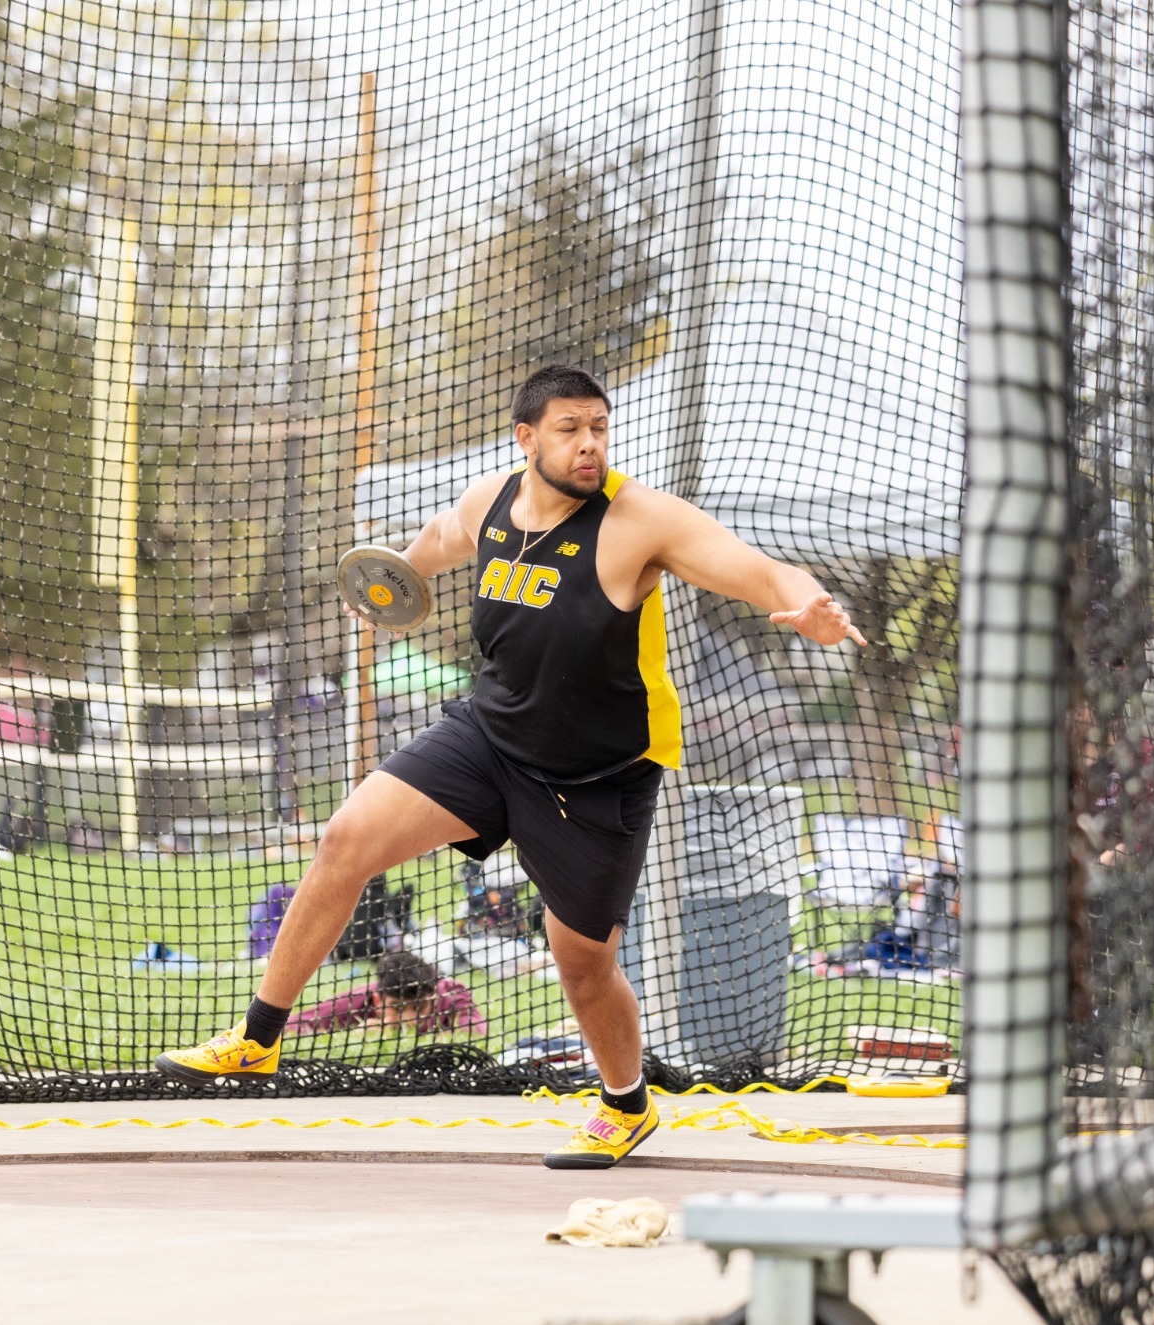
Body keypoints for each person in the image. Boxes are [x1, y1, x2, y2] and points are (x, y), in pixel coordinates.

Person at [154, 364, 865, 1169]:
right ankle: (257, 1038)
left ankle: (626, 1103)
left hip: (597, 775)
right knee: (346, 836)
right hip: (489, 736)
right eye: (570, 428)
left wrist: (809, 603)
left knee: (583, 963)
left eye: (599, 427)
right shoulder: (490, 502)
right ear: (527, 437)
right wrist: (390, 583)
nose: (590, 444)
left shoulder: (639, 521)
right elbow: (430, 547)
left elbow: (757, 568)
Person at [285, 950, 486, 1039]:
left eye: (418, 1007)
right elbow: (292, 1026)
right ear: (377, 1000)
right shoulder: (355, 1002)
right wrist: (354, 1035)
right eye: (397, 1007)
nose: (410, 1019)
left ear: (432, 995)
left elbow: (476, 1030)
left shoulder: (452, 995)